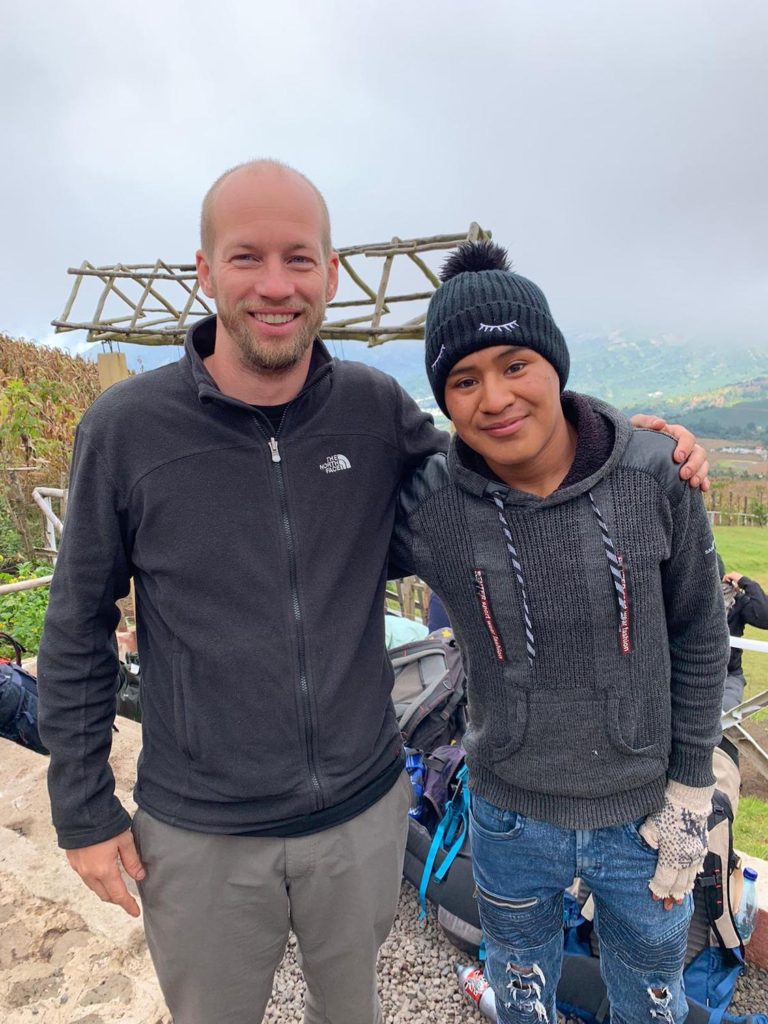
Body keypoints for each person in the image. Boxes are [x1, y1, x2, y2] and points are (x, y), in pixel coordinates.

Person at [36, 161, 710, 1024]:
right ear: (205, 271)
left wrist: (630, 444)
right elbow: (76, 625)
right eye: (247, 258)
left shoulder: (373, 407)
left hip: (359, 813)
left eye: (299, 259)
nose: (275, 286)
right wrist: (84, 809)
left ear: (331, 274)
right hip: (198, 825)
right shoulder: (125, 429)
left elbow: (507, 439)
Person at [391, 241, 729, 1024]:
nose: (495, 397)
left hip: (645, 816)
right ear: (444, 398)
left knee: (651, 1001)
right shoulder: (432, 508)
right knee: (520, 991)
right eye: (463, 380)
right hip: (508, 813)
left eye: (515, 364)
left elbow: (701, 635)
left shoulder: (653, 474)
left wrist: (688, 793)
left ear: (555, 363)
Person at [719, 555, 768, 711]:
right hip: (688, 675)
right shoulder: (684, 600)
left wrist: (746, 582)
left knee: (724, 713)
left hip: (728, 675)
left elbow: (765, 617)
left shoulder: (736, 601)